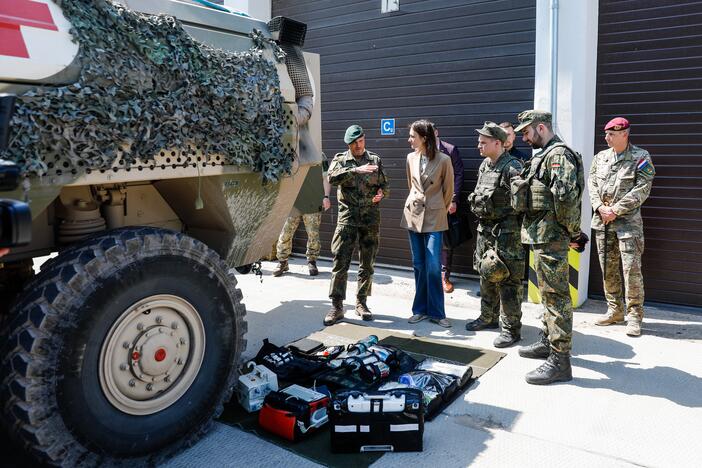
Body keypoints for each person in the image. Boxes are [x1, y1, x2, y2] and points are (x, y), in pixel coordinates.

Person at [513, 110, 584, 385]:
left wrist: (573, 232)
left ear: (541, 128)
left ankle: (560, 360)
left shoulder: (558, 155)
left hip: (552, 236)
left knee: (556, 297)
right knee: (547, 294)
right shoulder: (545, 155)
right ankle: (548, 340)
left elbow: (566, 199)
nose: (524, 138)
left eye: (526, 132)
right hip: (541, 234)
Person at [589, 117, 654, 337]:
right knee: (608, 269)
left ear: (624, 134)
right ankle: (615, 311)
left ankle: (635, 317)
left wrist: (615, 209)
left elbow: (643, 188)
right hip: (603, 223)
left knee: (631, 271)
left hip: (628, 225)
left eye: (611, 134)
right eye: (606, 134)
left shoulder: (640, 157)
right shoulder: (600, 158)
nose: (606, 138)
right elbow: (592, 184)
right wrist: (599, 207)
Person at [465, 122, 524, 347]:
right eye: (479, 141)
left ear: (497, 143)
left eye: (483, 142)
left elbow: (523, 206)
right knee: (485, 275)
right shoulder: (484, 166)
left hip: (506, 235)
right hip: (485, 231)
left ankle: (511, 329)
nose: (478, 145)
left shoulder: (512, 167)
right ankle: (488, 317)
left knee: (509, 282)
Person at [324, 125, 389, 326]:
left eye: (361, 141)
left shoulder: (375, 160)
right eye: (355, 143)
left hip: (370, 219)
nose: (359, 146)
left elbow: (384, 185)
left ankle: (362, 303)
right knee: (340, 262)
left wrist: (382, 194)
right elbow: (331, 177)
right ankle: (336, 306)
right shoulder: (340, 160)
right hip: (348, 219)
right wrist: (355, 170)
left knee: (367, 264)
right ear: (349, 144)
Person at [403, 120, 454, 328]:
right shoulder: (410, 158)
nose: (409, 140)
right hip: (413, 214)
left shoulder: (444, 160)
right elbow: (411, 185)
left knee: (433, 265)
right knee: (418, 264)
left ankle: (437, 312)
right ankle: (420, 309)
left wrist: (438, 207)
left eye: (413, 136)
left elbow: (449, 191)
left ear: (424, 138)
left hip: (435, 216)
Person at [273, 159, 332, 277]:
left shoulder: (319, 155)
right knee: (286, 233)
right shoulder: (289, 154)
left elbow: (326, 178)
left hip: (312, 201)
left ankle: (312, 261)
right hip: (292, 202)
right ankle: (282, 261)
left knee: (313, 234)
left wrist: (326, 196)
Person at [434, 126, 464, 293]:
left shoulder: (450, 150)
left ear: (436, 132)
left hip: (445, 202)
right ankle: (432, 276)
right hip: (428, 204)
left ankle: (445, 277)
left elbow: (459, 174)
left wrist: (453, 200)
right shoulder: (421, 152)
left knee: (446, 241)